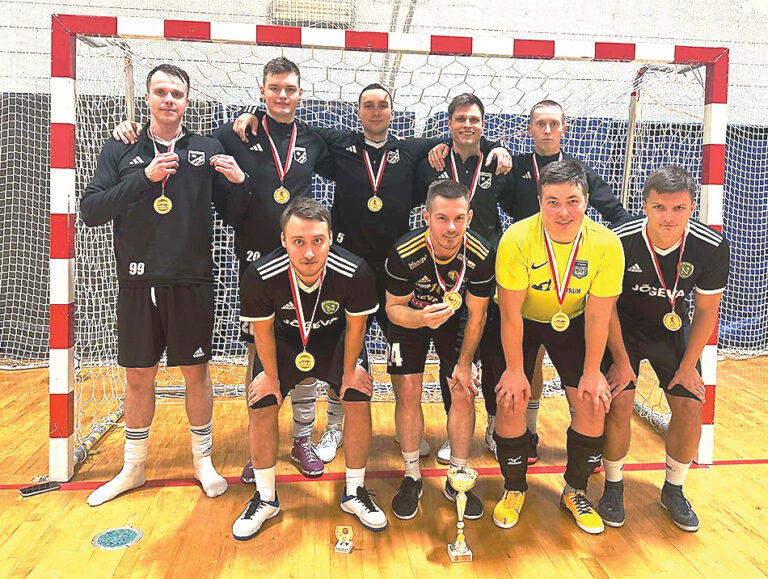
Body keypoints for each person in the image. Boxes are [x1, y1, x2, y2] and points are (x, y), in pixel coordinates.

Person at [233, 84, 512, 463]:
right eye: (369, 105)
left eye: (383, 105)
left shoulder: (410, 150)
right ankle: (334, 427)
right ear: (359, 111)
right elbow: (290, 123)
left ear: (392, 112)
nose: (376, 111)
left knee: (403, 359)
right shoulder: (339, 144)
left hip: (398, 274)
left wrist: (497, 146)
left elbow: (463, 135)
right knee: (337, 350)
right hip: (347, 272)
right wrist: (256, 113)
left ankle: (406, 429)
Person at [112, 57, 335, 479]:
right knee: (259, 355)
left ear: (301, 93)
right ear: (261, 91)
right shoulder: (232, 135)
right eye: (274, 88)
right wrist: (134, 131)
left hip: (305, 261)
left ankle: (303, 439)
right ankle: (258, 447)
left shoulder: (314, 139)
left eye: (289, 88)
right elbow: (180, 139)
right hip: (256, 263)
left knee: (306, 347)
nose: (282, 95)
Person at [430, 99, 632, 464]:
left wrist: (633, 245)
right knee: (516, 358)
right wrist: (456, 147)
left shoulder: (578, 172)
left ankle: (565, 433)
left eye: (554, 123)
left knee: (562, 363)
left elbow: (615, 211)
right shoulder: (515, 165)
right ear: (530, 129)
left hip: (567, 278)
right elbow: (481, 189)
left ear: (564, 129)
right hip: (520, 268)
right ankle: (521, 430)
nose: (548, 130)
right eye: (541, 124)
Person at [81, 64, 247, 506]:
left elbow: (234, 215)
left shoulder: (207, 149)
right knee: (139, 376)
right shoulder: (122, 145)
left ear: (187, 101)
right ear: (148, 99)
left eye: (177, 93)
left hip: (191, 279)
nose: (169, 99)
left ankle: (202, 462)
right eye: (161, 92)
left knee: (197, 373)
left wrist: (239, 184)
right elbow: (91, 210)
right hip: (137, 281)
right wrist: (145, 177)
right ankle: (133, 468)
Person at [233, 197, 387, 540]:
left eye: (317, 240)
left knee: (357, 398)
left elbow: (356, 328)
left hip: (336, 340)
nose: (308, 252)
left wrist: (350, 371)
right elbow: (262, 331)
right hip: (284, 341)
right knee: (261, 403)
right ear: (283, 240)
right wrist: (270, 377)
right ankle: (265, 498)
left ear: (330, 238)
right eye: (298, 241)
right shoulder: (260, 274)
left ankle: (355, 492)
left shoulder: (355, 271)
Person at [494, 160, 624, 534]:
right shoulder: (517, 238)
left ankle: (575, 491)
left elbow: (599, 316)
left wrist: (592, 373)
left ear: (586, 201)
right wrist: (515, 370)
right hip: (523, 321)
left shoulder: (606, 244)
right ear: (540, 202)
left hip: (575, 320)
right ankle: (514, 488)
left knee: (593, 401)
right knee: (511, 399)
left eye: (572, 201)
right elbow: (510, 314)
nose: (563, 212)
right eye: (552, 202)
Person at [597, 166, 729, 532]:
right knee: (619, 400)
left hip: (671, 329)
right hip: (622, 329)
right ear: (644, 206)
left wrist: (688, 367)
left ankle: (674, 489)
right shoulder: (619, 241)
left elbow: (707, 311)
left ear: (691, 208)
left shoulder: (711, 245)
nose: (668, 217)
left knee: (690, 404)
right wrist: (621, 361)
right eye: (659, 207)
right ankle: (613, 486)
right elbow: (606, 307)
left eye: (678, 208)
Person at [385, 180, 495, 520]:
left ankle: (457, 477)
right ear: (426, 217)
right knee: (407, 390)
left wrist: (465, 364)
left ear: (469, 217)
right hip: (411, 317)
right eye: (442, 218)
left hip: (456, 321)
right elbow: (392, 309)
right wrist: (421, 318)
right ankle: (411, 476)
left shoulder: (481, 253)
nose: (451, 228)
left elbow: (478, 314)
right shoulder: (404, 252)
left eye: (459, 218)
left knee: (463, 390)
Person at [416, 93, 516, 463]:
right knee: (453, 354)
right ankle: (453, 429)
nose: (467, 125)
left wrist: (502, 148)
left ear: (483, 124)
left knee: (493, 354)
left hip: (486, 270)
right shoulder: (434, 160)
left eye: (474, 119)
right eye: (460, 119)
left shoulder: (498, 162)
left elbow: (519, 205)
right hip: (444, 272)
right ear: (450, 124)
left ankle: (493, 424)